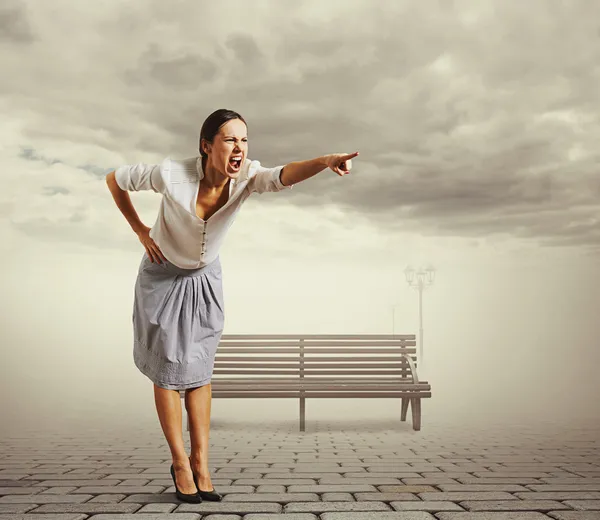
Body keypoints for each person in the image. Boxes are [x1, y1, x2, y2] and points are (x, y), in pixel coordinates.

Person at [105, 108, 358, 503]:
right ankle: (180, 463)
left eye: (244, 139)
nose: (239, 147)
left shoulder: (246, 177)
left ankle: (202, 460)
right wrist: (140, 230)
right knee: (169, 372)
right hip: (162, 274)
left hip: (205, 279)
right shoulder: (170, 173)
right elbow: (115, 179)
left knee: (199, 371)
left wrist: (326, 162)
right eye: (230, 140)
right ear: (207, 147)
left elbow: (283, 174)